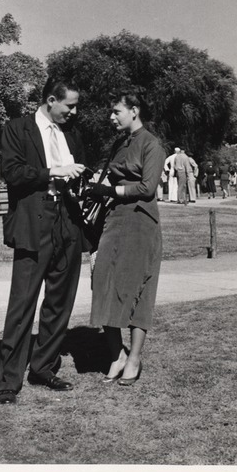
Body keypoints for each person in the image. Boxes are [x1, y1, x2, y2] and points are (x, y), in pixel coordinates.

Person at [0, 77, 89, 405]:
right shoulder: (17, 129)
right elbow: (14, 172)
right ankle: (8, 381)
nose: (74, 112)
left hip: (68, 222)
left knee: (59, 302)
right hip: (35, 222)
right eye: (70, 105)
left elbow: (74, 174)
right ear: (51, 100)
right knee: (23, 303)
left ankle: (43, 367)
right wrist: (54, 172)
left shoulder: (71, 134)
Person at [84, 90, 166, 386]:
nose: (111, 116)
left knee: (136, 289)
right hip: (114, 218)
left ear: (134, 110)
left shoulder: (152, 144)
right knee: (103, 280)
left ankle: (133, 359)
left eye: (116, 111)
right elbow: (112, 175)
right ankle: (116, 353)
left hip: (140, 221)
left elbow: (147, 187)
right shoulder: (121, 142)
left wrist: (111, 191)